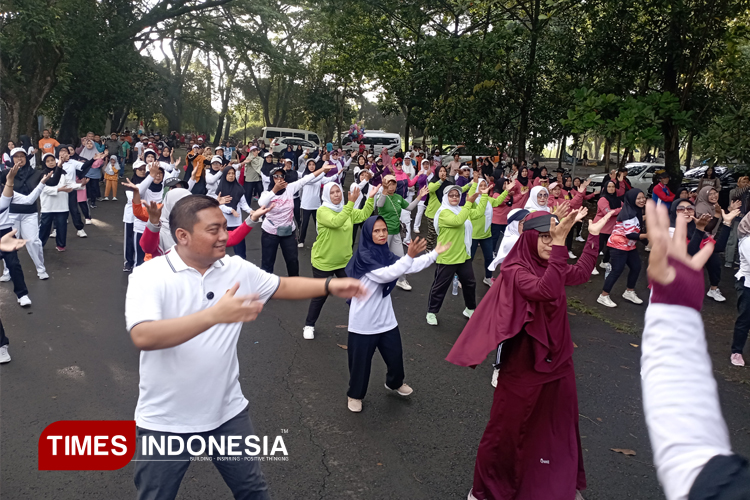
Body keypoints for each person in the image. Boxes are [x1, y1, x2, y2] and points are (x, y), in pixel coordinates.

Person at [125, 194, 368, 500]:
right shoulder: (149, 275)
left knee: (253, 491)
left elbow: (279, 285)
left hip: (227, 413)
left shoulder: (234, 267)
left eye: (225, 227)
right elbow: (144, 336)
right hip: (165, 421)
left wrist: (329, 285)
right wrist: (214, 315)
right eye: (214, 230)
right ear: (183, 236)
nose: (225, 236)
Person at [446, 209, 612, 500]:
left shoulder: (554, 264)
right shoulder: (515, 270)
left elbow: (582, 273)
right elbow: (545, 290)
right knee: (506, 432)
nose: (550, 244)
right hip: (522, 368)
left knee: (557, 427)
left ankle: (555, 482)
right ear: (530, 237)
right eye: (545, 238)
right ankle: (484, 490)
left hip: (558, 363)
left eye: (555, 238)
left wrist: (594, 237)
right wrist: (561, 247)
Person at [640, 199, 750, 500]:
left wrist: (676, 309)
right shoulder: (677, 232)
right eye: (683, 207)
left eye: (691, 207)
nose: (689, 211)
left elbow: (692, 454)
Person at [344, 218, 449, 412]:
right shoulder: (364, 256)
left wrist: (434, 254)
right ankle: (355, 395)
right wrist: (408, 257)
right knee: (360, 364)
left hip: (386, 320)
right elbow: (387, 274)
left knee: (395, 357)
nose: (382, 234)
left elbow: (407, 266)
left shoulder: (385, 253)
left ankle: (394, 383)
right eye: (376, 231)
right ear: (368, 234)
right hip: (363, 323)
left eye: (384, 230)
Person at [302, 183, 377, 339]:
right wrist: (350, 204)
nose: (336, 195)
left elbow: (363, 215)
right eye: (332, 192)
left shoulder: (346, 209)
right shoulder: (322, 211)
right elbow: (336, 222)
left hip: (344, 261)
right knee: (320, 295)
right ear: (326, 196)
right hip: (324, 261)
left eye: (338, 192)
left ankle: (364, 322)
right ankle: (309, 325)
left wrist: (370, 198)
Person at [425, 183, 490, 326]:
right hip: (447, 257)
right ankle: (431, 312)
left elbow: (478, 213)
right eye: (451, 195)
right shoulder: (443, 213)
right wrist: (469, 203)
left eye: (457, 195)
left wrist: (484, 195)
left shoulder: (461, 209)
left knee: (470, 284)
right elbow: (457, 221)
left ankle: (470, 308)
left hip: (463, 256)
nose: (454, 197)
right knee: (440, 286)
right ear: (446, 197)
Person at [258, 163, 335, 276]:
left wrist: (322, 170)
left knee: (293, 261)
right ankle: (266, 290)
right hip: (270, 233)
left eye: (281, 176)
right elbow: (261, 203)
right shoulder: (267, 193)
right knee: (267, 263)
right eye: (276, 176)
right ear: (271, 178)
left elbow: (306, 179)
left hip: (288, 231)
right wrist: (274, 190)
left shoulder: (290, 188)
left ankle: (294, 287)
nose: (279, 179)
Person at [0, 164, 51, 306]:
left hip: (5, 233)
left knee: (14, 264)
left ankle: (22, 295)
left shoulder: (8, 194)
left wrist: (41, 184)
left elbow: (29, 200)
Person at [375, 175, 428, 291]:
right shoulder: (381, 196)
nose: (392, 186)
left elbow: (409, 207)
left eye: (394, 184)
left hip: (396, 232)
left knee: (400, 258)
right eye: (389, 184)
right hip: (384, 233)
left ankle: (401, 280)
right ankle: (378, 281)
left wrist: (419, 196)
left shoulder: (398, 197)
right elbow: (379, 204)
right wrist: (384, 191)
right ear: (384, 184)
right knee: (382, 258)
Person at [598, 189, 648, 307]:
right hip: (618, 245)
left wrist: (648, 241)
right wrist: (648, 236)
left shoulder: (636, 211)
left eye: (643, 197)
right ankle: (603, 296)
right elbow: (630, 234)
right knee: (617, 270)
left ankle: (629, 292)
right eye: (638, 198)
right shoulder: (628, 214)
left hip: (629, 245)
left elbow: (638, 230)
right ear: (631, 200)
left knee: (636, 267)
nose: (642, 200)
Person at [468, 176, 508, 285]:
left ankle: (488, 277)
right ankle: (460, 277)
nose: (483, 187)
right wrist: (475, 186)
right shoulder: (472, 201)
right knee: (468, 258)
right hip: (473, 235)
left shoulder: (488, 199)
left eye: (484, 185)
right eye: (480, 186)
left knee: (489, 257)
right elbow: (477, 210)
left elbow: (497, 202)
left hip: (486, 234)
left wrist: (506, 191)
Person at [38, 153, 75, 252]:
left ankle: (61, 245)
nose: (51, 163)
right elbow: (44, 189)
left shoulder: (63, 172)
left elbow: (70, 184)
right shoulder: (42, 174)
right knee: (45, 227)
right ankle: (39, 245)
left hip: (62, 205)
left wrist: (80, 185)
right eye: (48, 161)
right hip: (48, 206)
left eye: (52, 160)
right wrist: (59, 190)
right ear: (44, 163)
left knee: (61, 226)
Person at [298, 159, 336, 248]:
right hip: (306, 205)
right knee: (304, 224)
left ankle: (322, 239)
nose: (311, 166)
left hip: (317, 205)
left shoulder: (319, 177)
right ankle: (301, 240)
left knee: (319, 224)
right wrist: (323, 171)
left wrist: (338, 174)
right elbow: (313, 180)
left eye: (313, 165)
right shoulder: (305, 177)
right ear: (307, 166)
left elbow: (328, 180)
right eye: (310, 164)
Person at [594, 179, 622, 275]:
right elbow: (608, 212)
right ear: (605, 188)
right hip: (601, 227)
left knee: (611, 247)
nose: (611, 189)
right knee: (598, 248)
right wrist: (620, 210)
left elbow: (625, 207)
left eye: (613, 187)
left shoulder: (617, 199)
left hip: (612, 228)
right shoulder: (602, 199)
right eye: (609, 187)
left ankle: (604, 262)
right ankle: (592, 266)